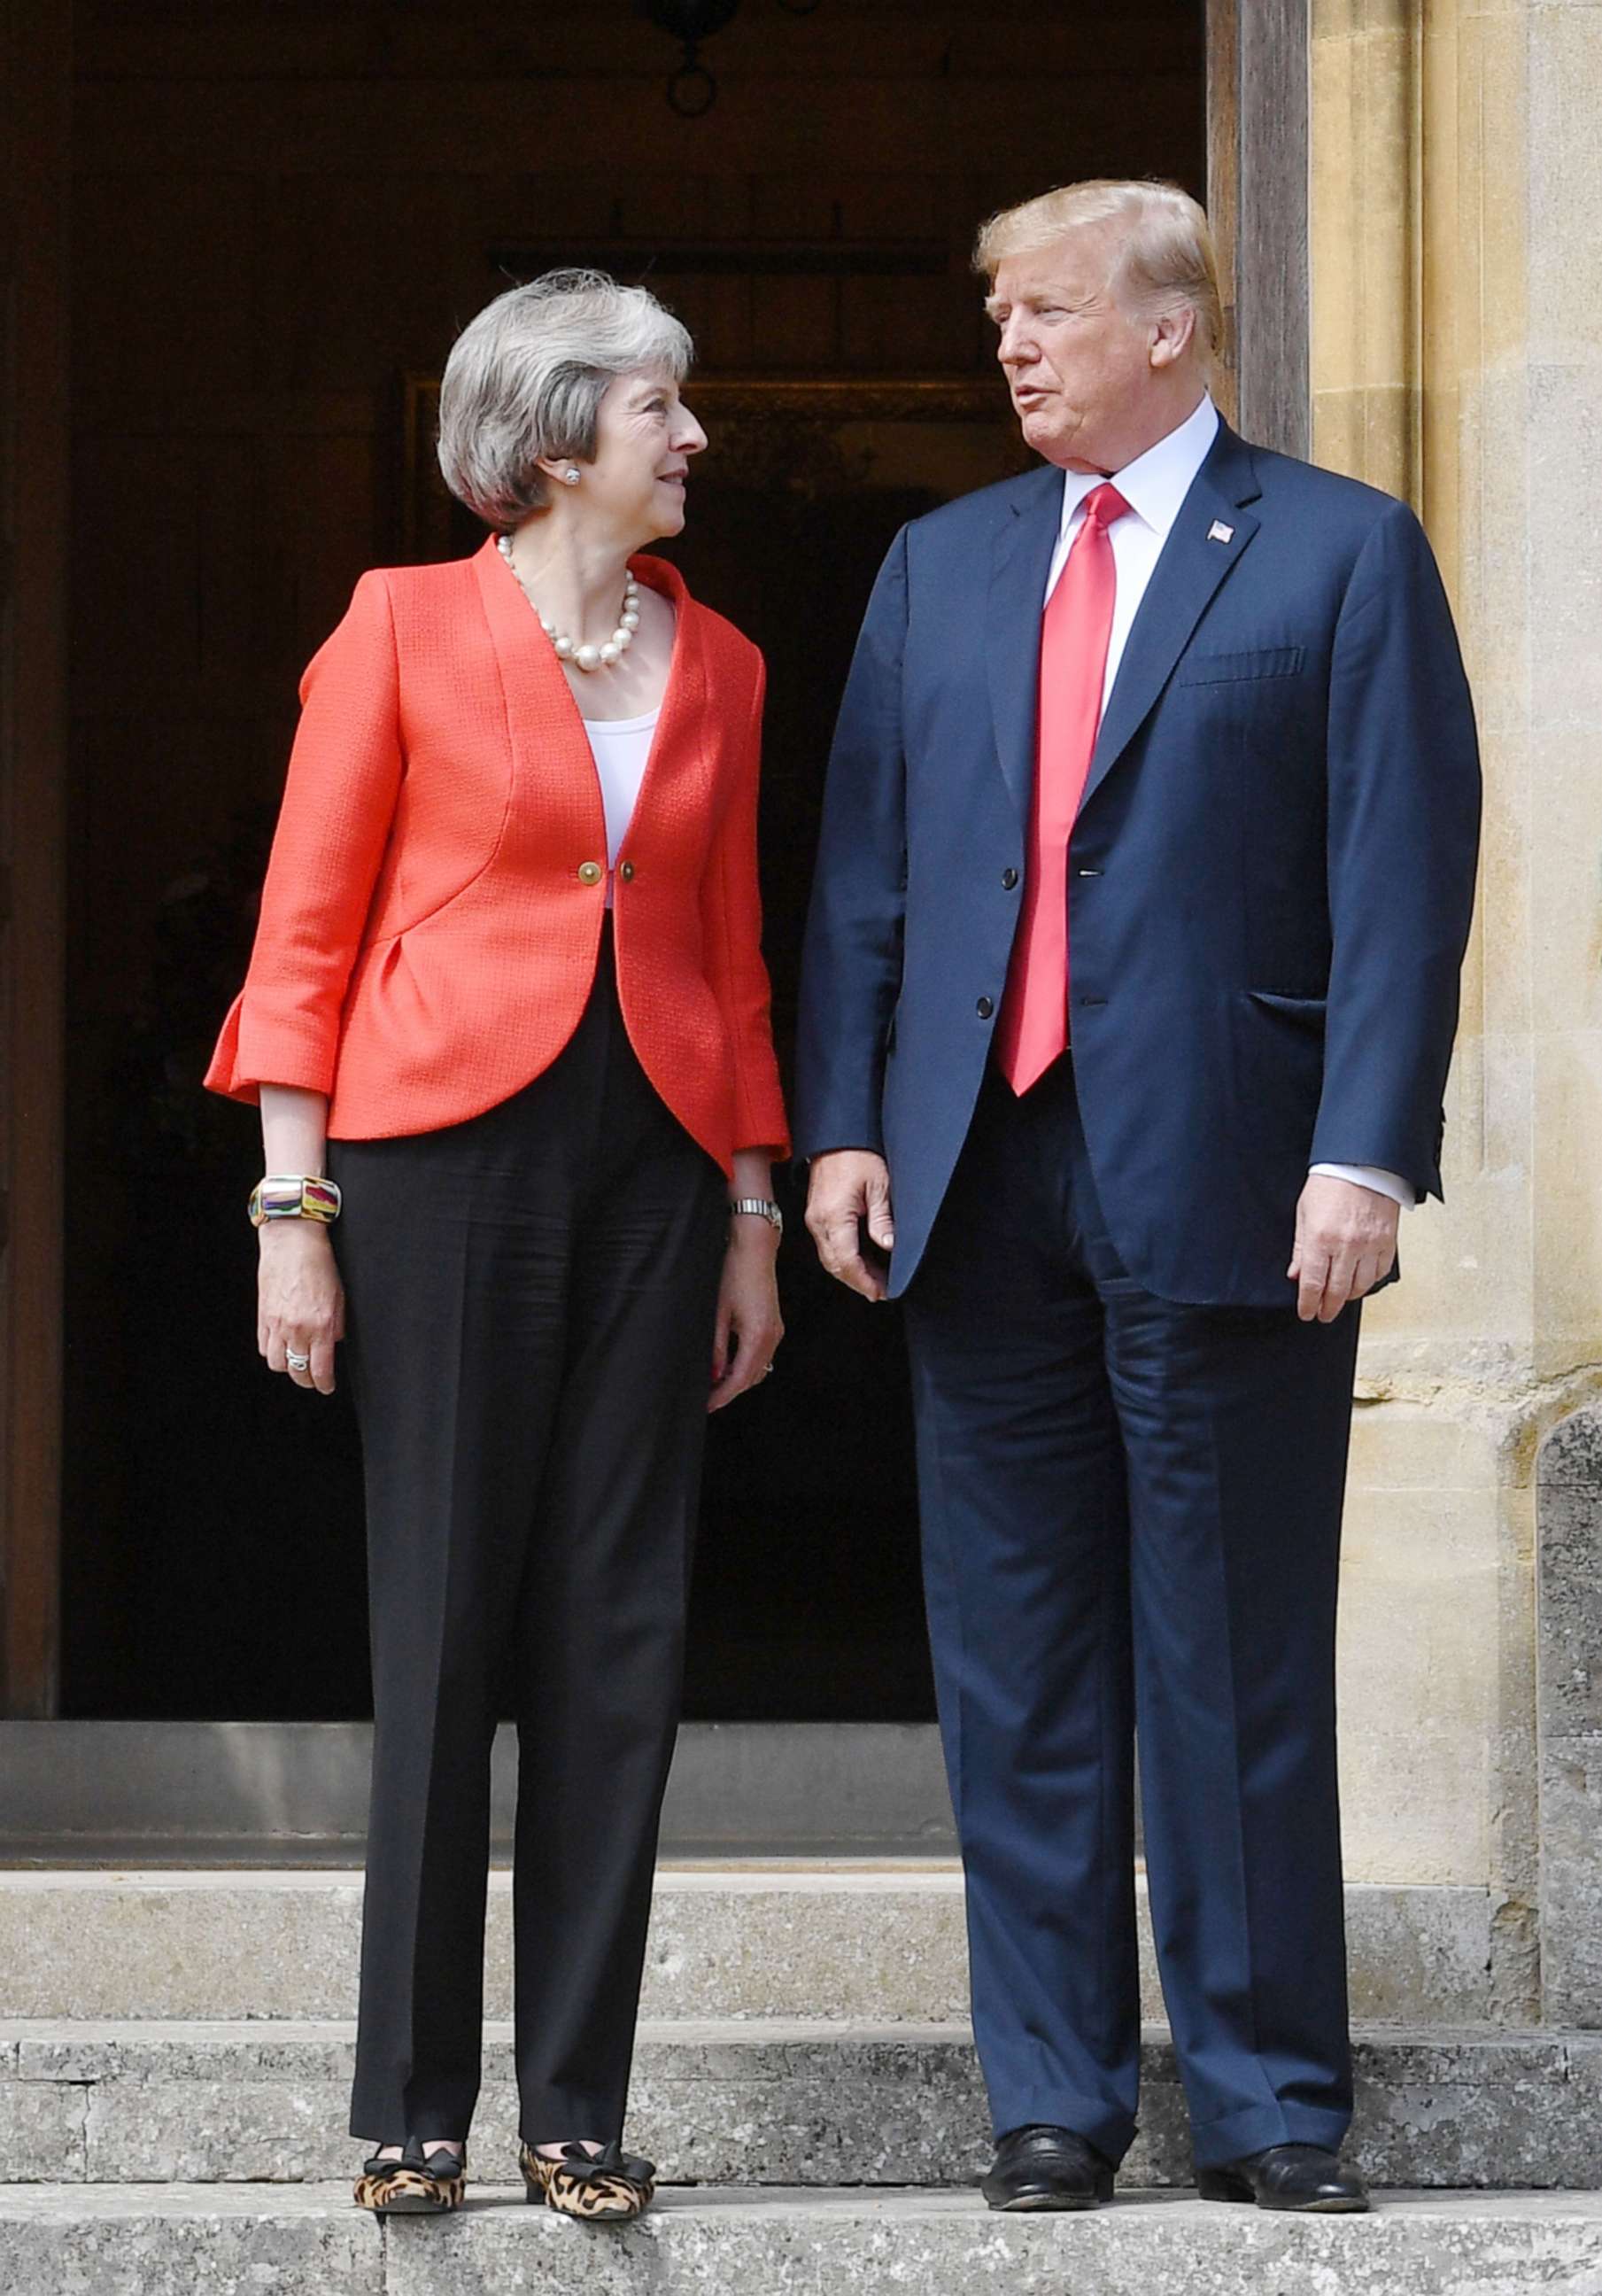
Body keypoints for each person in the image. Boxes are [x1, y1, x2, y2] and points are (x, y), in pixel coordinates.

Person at [795, 180, 1480, 2215]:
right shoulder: (939, 564)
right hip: (975, 1178)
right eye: (996, 310)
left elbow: (1400, 881)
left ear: (1169, 329)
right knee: (1010, 1659)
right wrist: (844, 1124)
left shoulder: (1340, 550)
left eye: (1046, 310)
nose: (1009, 342)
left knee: (1232, 1650)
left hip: (1236, 1174)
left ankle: (1268, 2102)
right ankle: (1053, 2100)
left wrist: (1362, 1151)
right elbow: (862, 879)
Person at [205, 269, 788, 2221]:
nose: (691, 436)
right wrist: (296, 1216)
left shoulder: (720, 662)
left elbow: (727, 955)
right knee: (445, 1621)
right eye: (658, 407)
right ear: (550, 440)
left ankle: (577, 2111)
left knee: (617, 1636)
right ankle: (408, 2112)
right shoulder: (397, 625)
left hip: (656, 1164)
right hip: (437, 1157)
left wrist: (751, 1214)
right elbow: (305, 931)